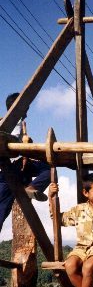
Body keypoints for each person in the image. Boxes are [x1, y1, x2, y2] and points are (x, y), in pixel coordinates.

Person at [0, 93, 50, 232]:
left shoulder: (20, 123)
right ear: (18, 107)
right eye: (26, 108)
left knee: (1, 211)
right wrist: (25, 146)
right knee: (48, 170)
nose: (27, 111)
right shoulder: (12, 122)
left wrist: (27, 147)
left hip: (14, 170)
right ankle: (31, 187)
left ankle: (31, 187)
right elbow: (13, 141)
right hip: (11, 168)